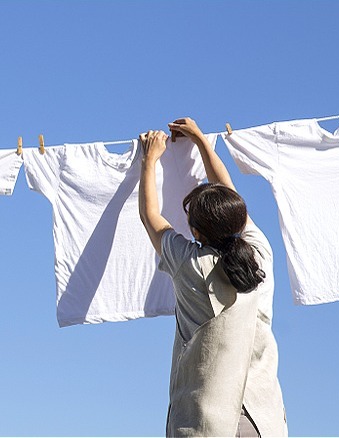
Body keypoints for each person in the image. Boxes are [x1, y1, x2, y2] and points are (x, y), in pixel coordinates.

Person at [137, 118, 288, 437]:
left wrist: (149, 159)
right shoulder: (260, 252)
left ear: (194, 231)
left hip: (205, 423)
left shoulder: (190, 263)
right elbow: (231, 197)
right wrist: (202, 141)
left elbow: (151, 217)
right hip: (263, 420)